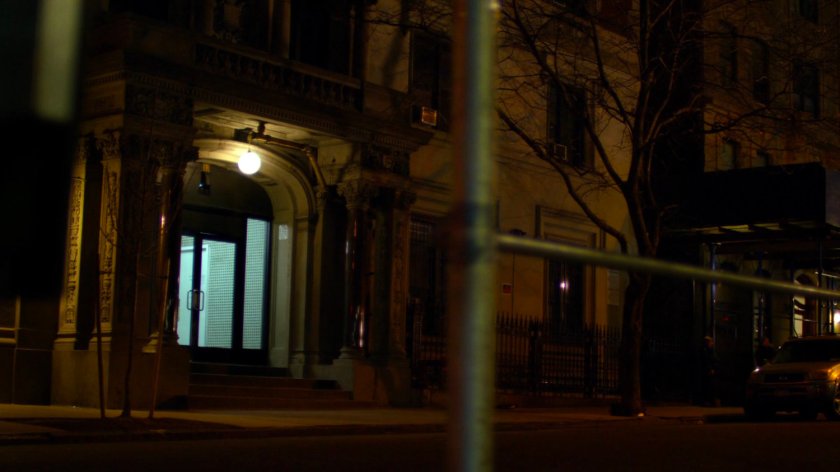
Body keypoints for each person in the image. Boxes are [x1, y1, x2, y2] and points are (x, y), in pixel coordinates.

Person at [700, 336, 720, 407]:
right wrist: (710, 369)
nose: (712, 343)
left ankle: (710, 401)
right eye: (711, 342)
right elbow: (707, 360)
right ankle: (708, 401)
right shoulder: (705, 350)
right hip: (708, 371)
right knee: (708, 386)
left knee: (711, 386)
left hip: (711, 370)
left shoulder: (709, 350)